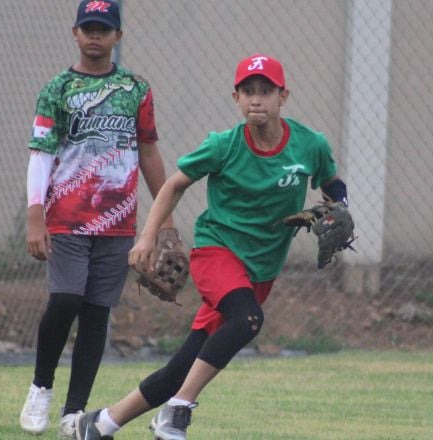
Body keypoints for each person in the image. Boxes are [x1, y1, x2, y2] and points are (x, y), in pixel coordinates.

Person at [74, 54, 348, 440]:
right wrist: (149, 237)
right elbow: (173, 185)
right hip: (217, 252)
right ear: (235, 98)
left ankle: (100, 423)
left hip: (260, 269)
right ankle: (178, 411)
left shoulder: (309, 145)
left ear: (283, 96)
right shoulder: (223, 146)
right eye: (247, 91)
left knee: (182, 367)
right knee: (248, 320)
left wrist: (341, 207)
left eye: (266, 91)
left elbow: (332, 184)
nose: (256, 99)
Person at [19, 1, 172, 437]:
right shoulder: (58, 88)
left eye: (103, 29)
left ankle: (74, 410)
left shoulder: (136, 89)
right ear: (74, 32)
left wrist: (165, 216)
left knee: (96, 312)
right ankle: (41, 387)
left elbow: (148, 151)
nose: (95, 36)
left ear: (117, 37)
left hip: (119, 219)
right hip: (66, 216)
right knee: (65, 299)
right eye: (88, 27)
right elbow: (41, 152)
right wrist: (35, 215)